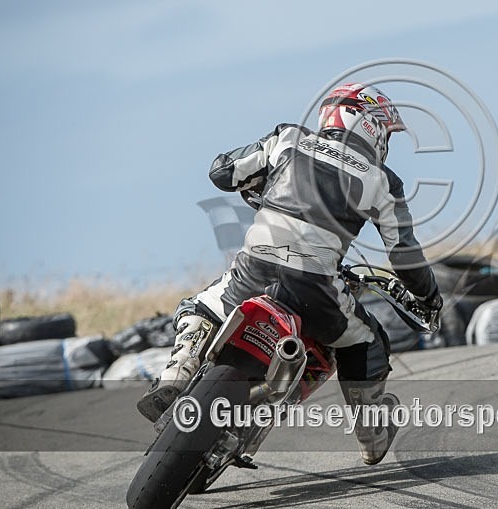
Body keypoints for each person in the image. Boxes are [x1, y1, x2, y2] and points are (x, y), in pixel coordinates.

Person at [137, 82, 442, 465]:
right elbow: (404, 254)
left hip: (254, 269)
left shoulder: (288, 139)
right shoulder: (382, 180)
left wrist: (263, 183)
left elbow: (223, 171)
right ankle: (371, 434)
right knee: (367, 341)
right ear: (368, 122)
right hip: (315, 287)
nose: (385, 140)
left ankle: (177, 374)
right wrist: (429, 296)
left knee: (201, 306)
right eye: (384, 129)